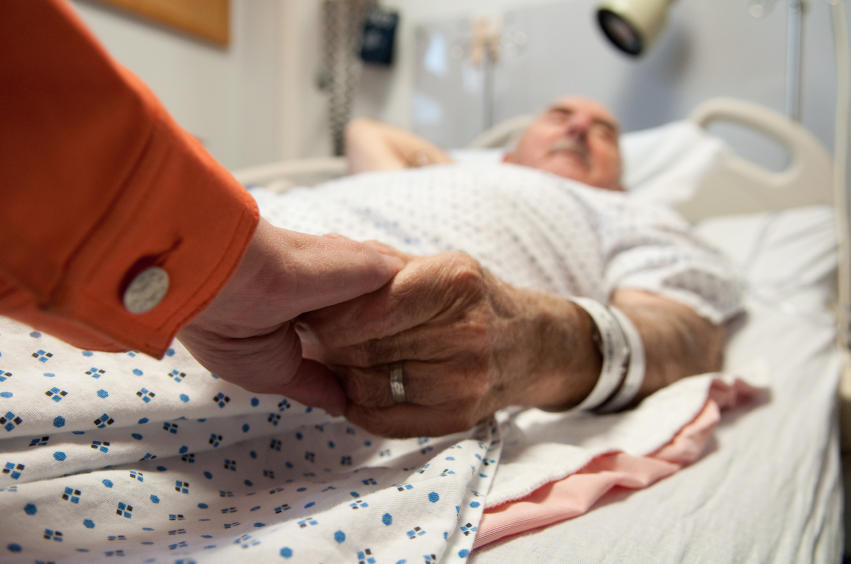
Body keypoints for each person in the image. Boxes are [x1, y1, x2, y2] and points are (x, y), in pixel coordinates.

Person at [0, 1, 402, 416]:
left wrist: (223, 273)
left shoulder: (460, 189)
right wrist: (226, 272)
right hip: (248, 256)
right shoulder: (397, 188)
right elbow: (362, 131)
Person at [285, 98, 741, 437]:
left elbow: (684, 336)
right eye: (559, 116)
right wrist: (458, 172)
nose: (581, 126)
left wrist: (540, 345)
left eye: (604, 132)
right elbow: (364, 131)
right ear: (507, 155)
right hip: (272, 224)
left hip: (323, 338)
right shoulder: (454, 176)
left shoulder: (629, 213)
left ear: (620, 183)